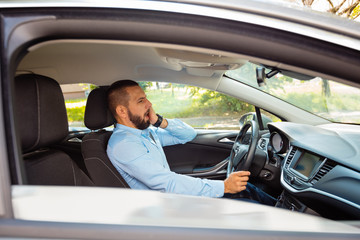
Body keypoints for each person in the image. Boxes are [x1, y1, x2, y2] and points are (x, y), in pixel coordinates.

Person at [107, 80, 276, 205]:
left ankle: (292, 217)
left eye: (146, 98)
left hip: (172, 200)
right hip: (165, 208)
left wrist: (159, 121)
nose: (150, 104)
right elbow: (168, 184)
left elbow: (187, 135)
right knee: (252, 204)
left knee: (247, 188)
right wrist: (223, 186)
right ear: (122, 111)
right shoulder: (124, 145)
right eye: (141, 101)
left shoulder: (144, 132)